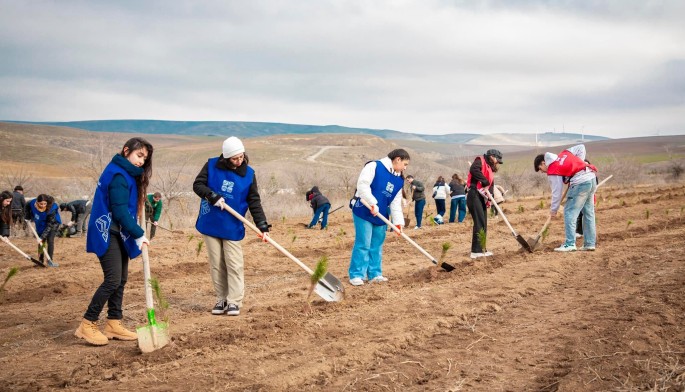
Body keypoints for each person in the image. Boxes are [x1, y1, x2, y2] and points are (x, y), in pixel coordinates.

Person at [75, 137, 153, 346]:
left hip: (117, 232)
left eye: (144, 159)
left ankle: (113, 323)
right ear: (126, 151)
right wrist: (138, 233)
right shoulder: (118, 175)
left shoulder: (126, 173)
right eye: (139, 155)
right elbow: (119, 211)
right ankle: (87, 323)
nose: (141, 161)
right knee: (112, 279)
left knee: (121, 278)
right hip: (107, 230)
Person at [193, 136, 270, 316]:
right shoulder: (211, 165)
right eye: (234, 158)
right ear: (226, 158)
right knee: (217, 263)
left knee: (234, 263)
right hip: (211, 222)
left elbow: (254, 201)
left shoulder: (249, 174)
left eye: (241, 157)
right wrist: (212, 196)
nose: (238, 161)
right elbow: (198, 185)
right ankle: (222, 298)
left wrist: (262, 226)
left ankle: (234, 301)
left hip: (232, 225)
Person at [348, 149, 410, 286]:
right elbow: (362, 185)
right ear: (398, 159)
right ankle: (357, 274)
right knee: (363, 243)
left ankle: (375, 274)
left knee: (376, 245)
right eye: (405, 164)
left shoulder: (399, 180)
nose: (405, 168)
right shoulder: (374, 166)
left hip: (381, 216)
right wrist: (372, 202)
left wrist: (398, 223)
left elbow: (395, 202)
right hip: (364, 210)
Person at [534, 144, 598, 252]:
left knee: (569, 212)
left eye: (540, 169)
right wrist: (578, 165)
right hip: (591, 178)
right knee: (588, 212)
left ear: (543, 163)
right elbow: (581, 147)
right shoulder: (564, 154)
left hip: (580, 183)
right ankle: (590, 243)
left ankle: (570, 244)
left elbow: (557, 192)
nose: (542, 172)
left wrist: (553, 210)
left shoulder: (553, 169)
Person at [466, 149, 503, 259]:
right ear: (492, 156)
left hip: (481, 197)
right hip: (474, 195)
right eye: (497, 160)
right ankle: (476, 251)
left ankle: (481, 248)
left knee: (483, 223)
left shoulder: (489, 167)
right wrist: (484, 180)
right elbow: (473, 169)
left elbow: (490, 185)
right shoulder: (480, 161)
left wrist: (490, 199)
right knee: (479, 223)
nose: (497, 162)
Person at [25, 194, 61, 266]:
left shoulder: (52, 208)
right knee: (41, 243)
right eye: (41, 204)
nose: (43, 205)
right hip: (40, 223)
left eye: (45, 203)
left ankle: (49, 260)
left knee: (50, 240)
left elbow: (50, 224)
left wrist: (41, 237)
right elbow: (27, 206)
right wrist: (27, 216)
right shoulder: (32, 203)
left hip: (52, 224)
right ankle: (40, 261)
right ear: (37, 202)